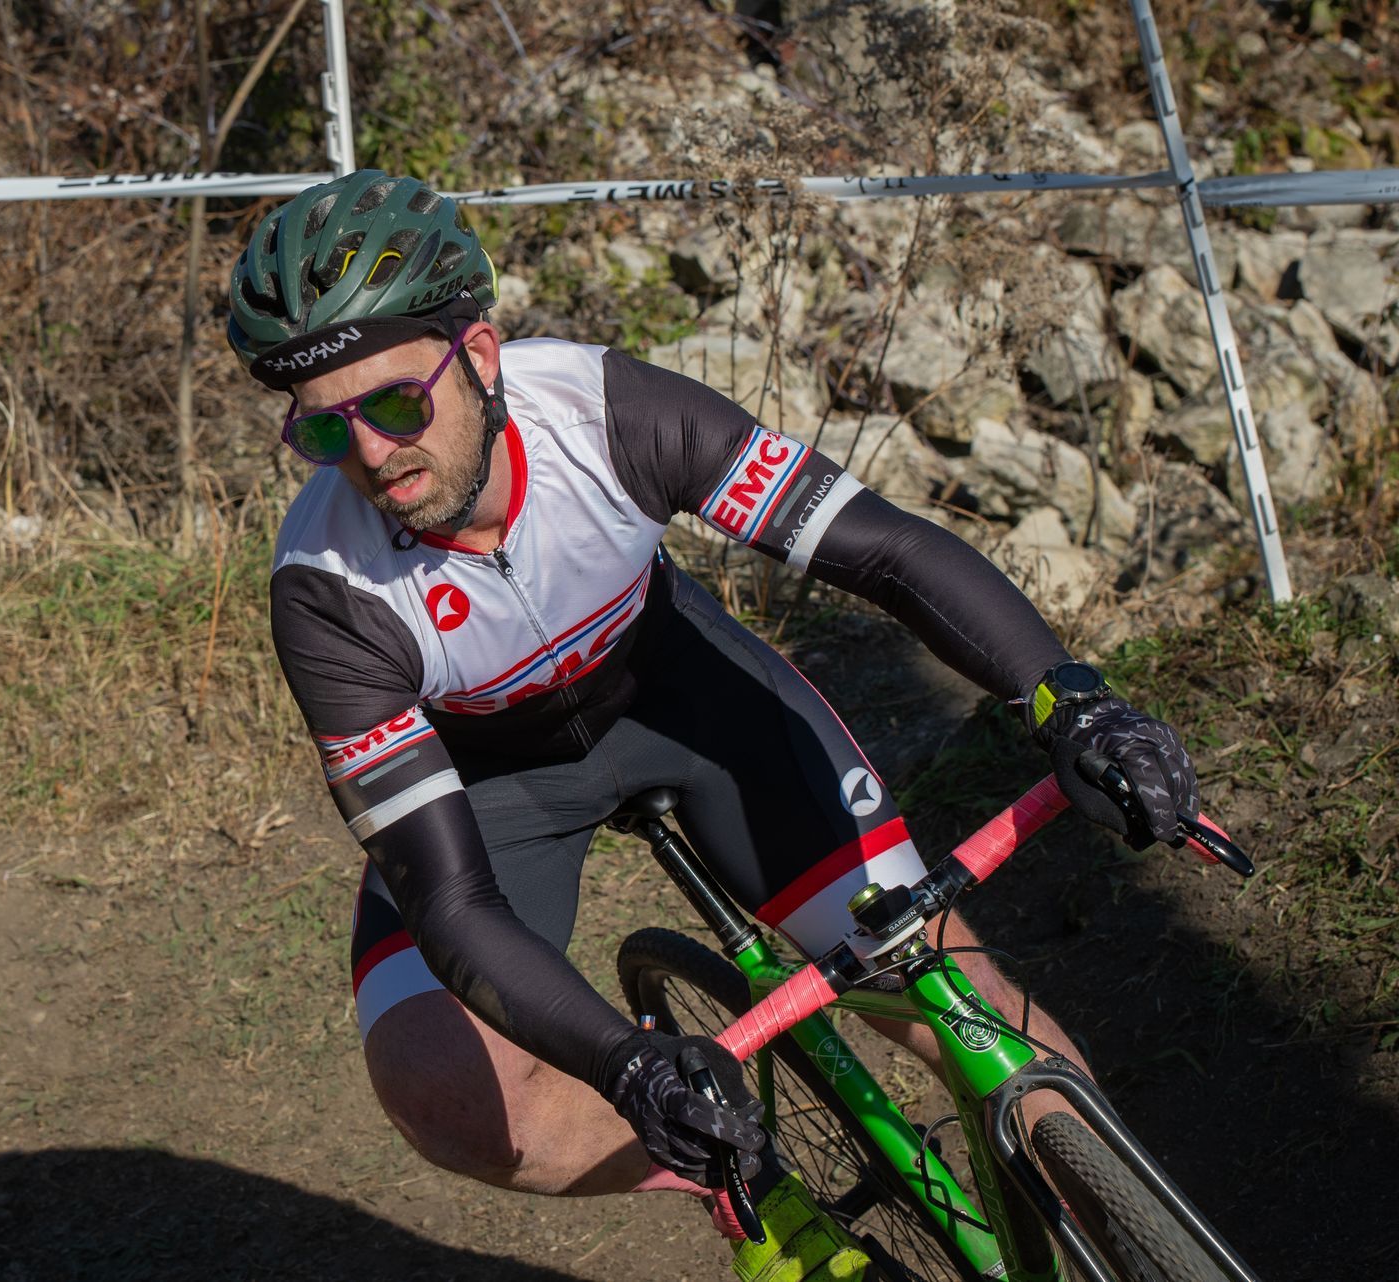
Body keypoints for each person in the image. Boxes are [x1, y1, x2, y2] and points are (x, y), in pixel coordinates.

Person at [226, 171, 1198, 1275]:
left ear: (481, 356)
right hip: (491, 777)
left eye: (398, 404)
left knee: (956, 999)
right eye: (324, 429)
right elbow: (451, 903)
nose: (370, 453)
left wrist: (1070, 698)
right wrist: (625, 1065)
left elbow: (884, 551)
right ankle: (753, 1186)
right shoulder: (326, 589)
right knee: (439, 1092)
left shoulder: (609, 415)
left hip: (680, 693)